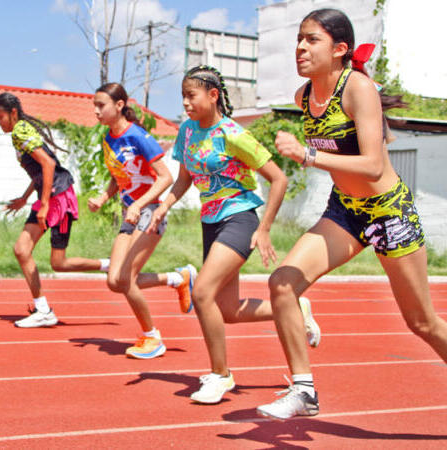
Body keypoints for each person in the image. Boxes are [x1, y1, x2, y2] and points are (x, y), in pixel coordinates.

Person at [256, 8, 447, 420]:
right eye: (299, 39)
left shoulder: (358, 88)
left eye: (312, 39)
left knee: (422, 323)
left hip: (387, 212)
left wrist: (307, 155)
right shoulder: (303, 97)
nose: (300, 48)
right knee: (283, 284)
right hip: (345, 210)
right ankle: (303, 390)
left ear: (340, 49)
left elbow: (373, 166)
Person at [148, 65, 320, 404]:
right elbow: (184, 178)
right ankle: (296, 308)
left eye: (191, 95)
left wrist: (265, 227)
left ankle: (220, 375)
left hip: (240, 218)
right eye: (182, 96)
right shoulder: (187, 131)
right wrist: (164, 205)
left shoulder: (233, 134)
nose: (185, 103)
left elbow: (278, 179)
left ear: (213, 96)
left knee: (202, 294)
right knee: (227, 310)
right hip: (210, 221)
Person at [90, 82, 197, 360]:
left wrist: (138, 204)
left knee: (126, 279)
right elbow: (119, 176)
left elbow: (166, 177)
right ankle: (178, 279)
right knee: (114, 281)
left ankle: (152, 338)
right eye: (95, 106)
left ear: (120, 105)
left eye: (101, 105)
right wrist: (103, 197)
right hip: (132, 213)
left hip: (150, 212)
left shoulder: (139, 136)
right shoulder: (109, 138)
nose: (96, 111)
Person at [0, 92, 109, 328]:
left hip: (59, 198)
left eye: (0, 116)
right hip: (49, 195)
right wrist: (25, 198)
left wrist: (44, 203)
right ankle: (44, 307)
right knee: (38, 255)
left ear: (13, 113)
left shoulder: (20, 131)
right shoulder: (20, 131)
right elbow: (38, 170)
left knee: (42, 256)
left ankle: (106, 266)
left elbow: (48, 164)